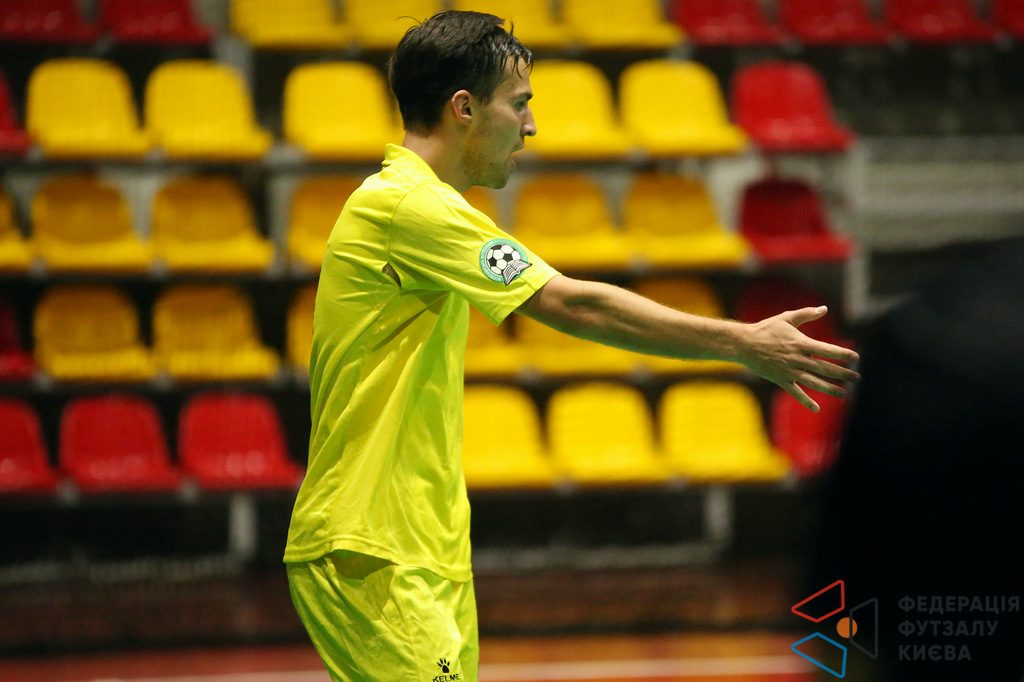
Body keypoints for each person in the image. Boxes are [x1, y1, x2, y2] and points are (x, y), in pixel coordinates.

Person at [284, 11, 860, 682]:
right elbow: (571, 303)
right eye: (519, 103)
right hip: (369, 547)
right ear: (464, 108)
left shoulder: (423, 207)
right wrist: (744, 341)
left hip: (419, 546)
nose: (530, 126)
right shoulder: (407, 206)